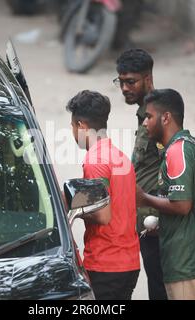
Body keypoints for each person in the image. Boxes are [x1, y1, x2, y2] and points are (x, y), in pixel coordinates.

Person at [138, 89, 195, 300]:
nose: (145, 123)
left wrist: (144, 198)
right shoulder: (187, 146)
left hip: (189, 266)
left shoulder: (178, 151)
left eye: (149, 116)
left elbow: (182, 205)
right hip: (190, 264)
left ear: (166, 117)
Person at [66, 90, 140, 300]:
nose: (72, 132)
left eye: (72, 126)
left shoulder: (95, 160)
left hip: (105, 264)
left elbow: (103, 215)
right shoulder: (121, 157)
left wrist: (74, 206)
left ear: (81, 125)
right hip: (129, 263)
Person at [115, 48, 167, 300]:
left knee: (160, 285)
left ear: (148, 78)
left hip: (155, 220)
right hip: (145, 216)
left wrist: (160, 214)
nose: (124, 88)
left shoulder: (157, 115)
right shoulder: (143, 113)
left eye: (131, 82)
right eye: (121, 81)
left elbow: (171, 166)